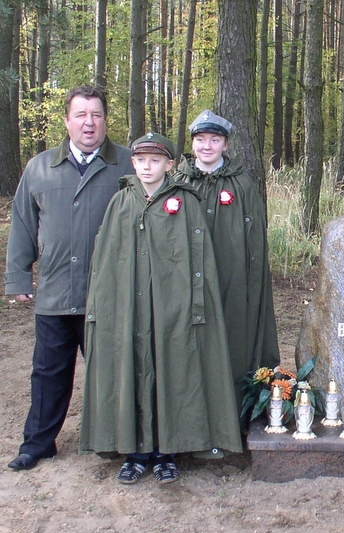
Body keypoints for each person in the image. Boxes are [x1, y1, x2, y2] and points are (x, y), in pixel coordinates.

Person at [79, 132, 243, 484]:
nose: (147, 167)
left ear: (169, 165)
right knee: (134, 369)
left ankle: (166, 453)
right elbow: (107, 259)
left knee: (173, 370)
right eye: (141, 160)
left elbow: (200, 259)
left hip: (173, 308)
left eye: (155, 161)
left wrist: (193, 304)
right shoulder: (121, 202)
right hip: (130, 307)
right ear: (133, 163)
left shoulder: (186, 202)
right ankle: (136, 453)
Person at [4, 86, 134, 471]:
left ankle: (121, 441)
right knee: (48, 372)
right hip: (56, 291)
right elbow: (23, 224)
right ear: (67, 121)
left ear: (105, 120)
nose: (88, 123)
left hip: (108, 294)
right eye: (80, 115)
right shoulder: (40, 167)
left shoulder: (128, 165)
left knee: (113, 371)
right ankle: (38, 443)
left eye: (96, 115)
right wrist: (18, 278)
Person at [175, 110, 280, 424]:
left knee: (232, 342)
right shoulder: (178, 181)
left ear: (225, 144)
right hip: (188, 282)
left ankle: (233, 417)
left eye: (214, 140)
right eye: (201, 139)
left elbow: (255, 241)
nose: (207, 146)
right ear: (192, 143)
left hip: (231, 281)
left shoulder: (241, 183)